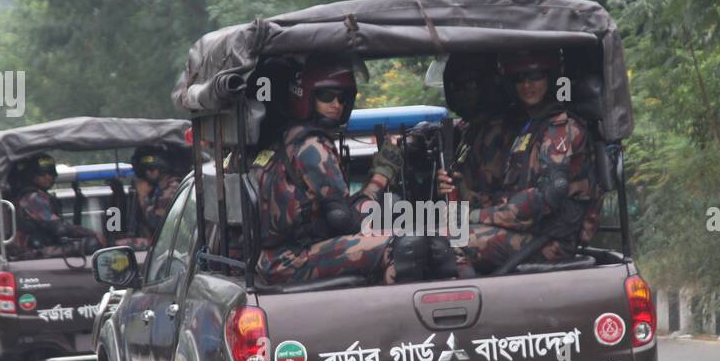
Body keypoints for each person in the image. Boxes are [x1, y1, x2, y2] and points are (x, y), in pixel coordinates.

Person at [257, 57, 429, 285]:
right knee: (403, 246)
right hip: (292, 260)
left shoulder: (283, 139)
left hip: (274, 258)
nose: (336, 104)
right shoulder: (312, 146)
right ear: (305, 95)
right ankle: (390, 318)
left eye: (342, 98)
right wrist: (382, 174)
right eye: (326, 96)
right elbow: (345, 221)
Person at [457, 49, 603, 273]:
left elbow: (546, 197)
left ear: (551, 78)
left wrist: (477, 216)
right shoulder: (525, 127)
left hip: (549, 241)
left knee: (451, 243)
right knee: (436, 235)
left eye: (536, 77)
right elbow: (505, 194)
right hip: (526, 231)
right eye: (519, 78)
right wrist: (460, 190)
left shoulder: (561, 129)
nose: (527, 85)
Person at [438, 52, 518, 205]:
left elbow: (490, 194)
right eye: (455, 86)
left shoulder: (498, 130)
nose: (461, 93)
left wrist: (462, 191)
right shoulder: (470, 128)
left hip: (487, 216)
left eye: (469, 85)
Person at [9, 154, 104, 259]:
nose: (48, 177)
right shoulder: (32, 198)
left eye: (51, 173)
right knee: (92, 244)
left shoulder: (40, 195)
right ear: (32, 175)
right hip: (33, 252)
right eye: (42, 174)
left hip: (42, 247)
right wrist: (92, 233)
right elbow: (59, 227)